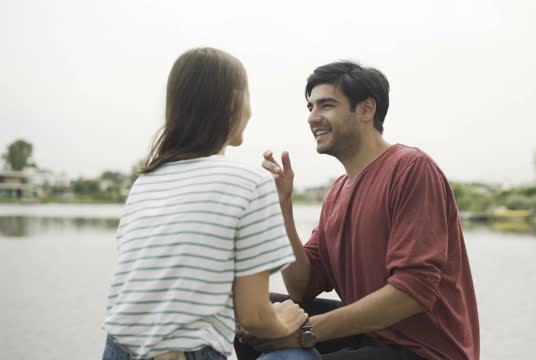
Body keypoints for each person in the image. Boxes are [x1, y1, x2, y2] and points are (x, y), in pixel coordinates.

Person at [235, 61, 480, 359]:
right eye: (310, 107)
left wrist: (305, 332)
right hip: (371, 337)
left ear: (366, 110)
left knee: (279, 336)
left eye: (326, 105)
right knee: (252, 318)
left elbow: (412, 292)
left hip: (423, 351)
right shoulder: (338, 191)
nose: (313, 117)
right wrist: (282, 206)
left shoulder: (411, 169)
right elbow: (302, 286)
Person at [102, 47, 320, 360]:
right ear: (233, 103)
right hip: (187, 355)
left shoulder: (146, 181)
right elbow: (255, 318)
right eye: (248, 95)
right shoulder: (250, 183)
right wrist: (287, 320)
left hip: (117, 350)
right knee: (299, 357)